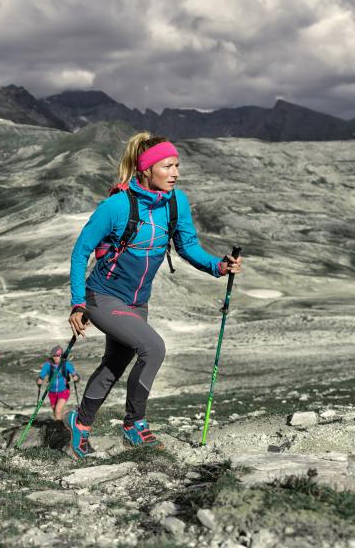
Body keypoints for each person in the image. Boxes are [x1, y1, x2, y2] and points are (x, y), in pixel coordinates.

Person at [65, 132, 243, 458]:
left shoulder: (177, 202)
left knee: (114, 365)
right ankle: (134, 425)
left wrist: (218, 266)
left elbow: (187, 246)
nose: (175, 172)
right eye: (167, 166)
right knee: (153, 347)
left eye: (177, 165)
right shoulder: (116, 206)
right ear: (146, 169)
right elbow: (81, 252)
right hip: (102, 297)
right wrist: (78, 303)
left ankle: (81, 424)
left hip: (137, 302)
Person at [36, 345, 80, 420]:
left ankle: (59, 428)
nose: (56, 357)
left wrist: (75, 377)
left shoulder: (65, 364)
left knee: (58, 410)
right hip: (52, 392)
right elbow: (42, 374)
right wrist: (40, 379)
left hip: (64, 391)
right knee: (55, 411)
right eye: (54, 356)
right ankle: (61, 422)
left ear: (61, 356)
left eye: (58, 356)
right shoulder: (48, 364)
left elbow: (74, 373)